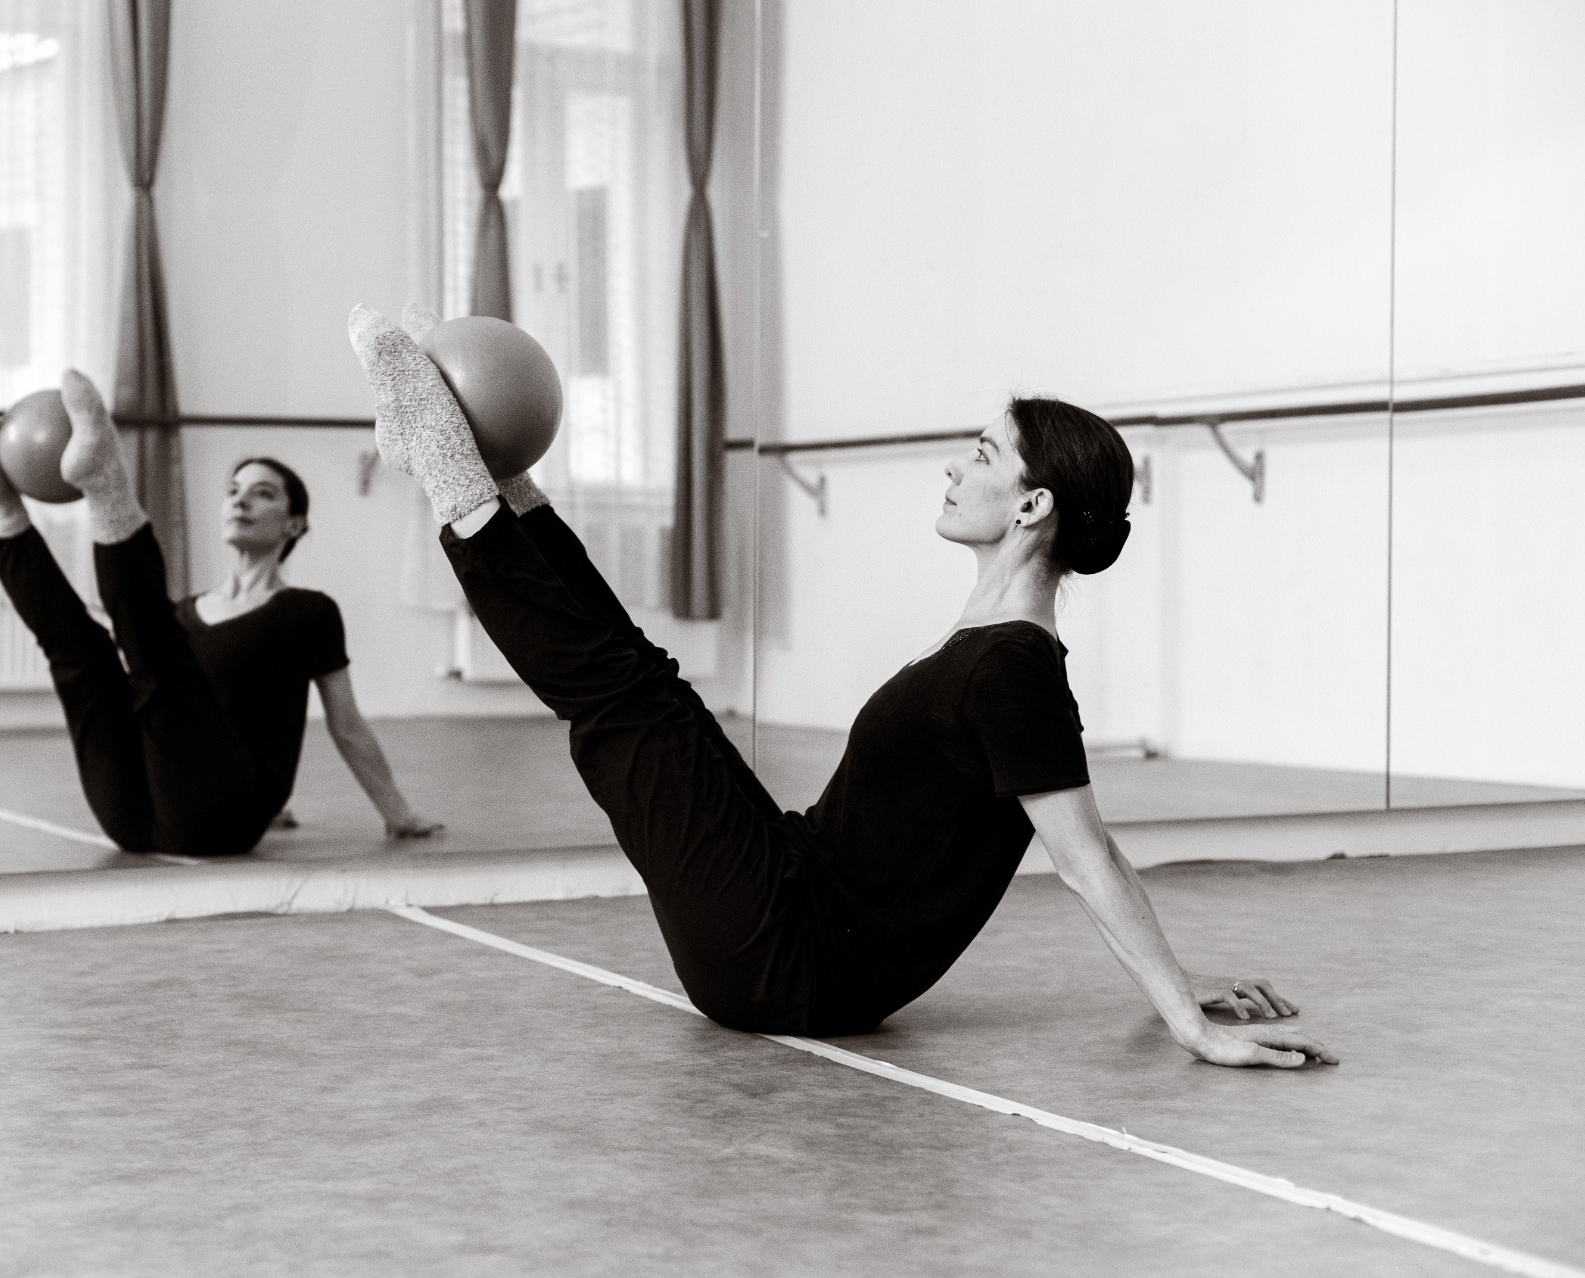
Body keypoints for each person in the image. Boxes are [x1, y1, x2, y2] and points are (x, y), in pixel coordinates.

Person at [350, 302, 1338, 1068]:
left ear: (1031, 504)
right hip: (793, 892)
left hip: (792, 957)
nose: (956, 469)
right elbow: (1095, 845)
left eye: (982, 455)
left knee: (624, 703)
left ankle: (451, 469)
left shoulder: (1015, 668)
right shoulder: (992, 643)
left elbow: (1083, 855)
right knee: (649, 684)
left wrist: (1184, 1017)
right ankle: (491, 478)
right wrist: (1180, 978)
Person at [0, 371, 440, 857]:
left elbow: (346, 724)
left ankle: (106, 485)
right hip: (131, 816)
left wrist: (397, 812)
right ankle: (0, 505)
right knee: (83, 656)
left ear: (295, 525)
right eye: (233, 490)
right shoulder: (183, 614)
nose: (241, 500)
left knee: (152, 646)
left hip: (224, 818)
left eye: (263, 493)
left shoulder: (307, 612)